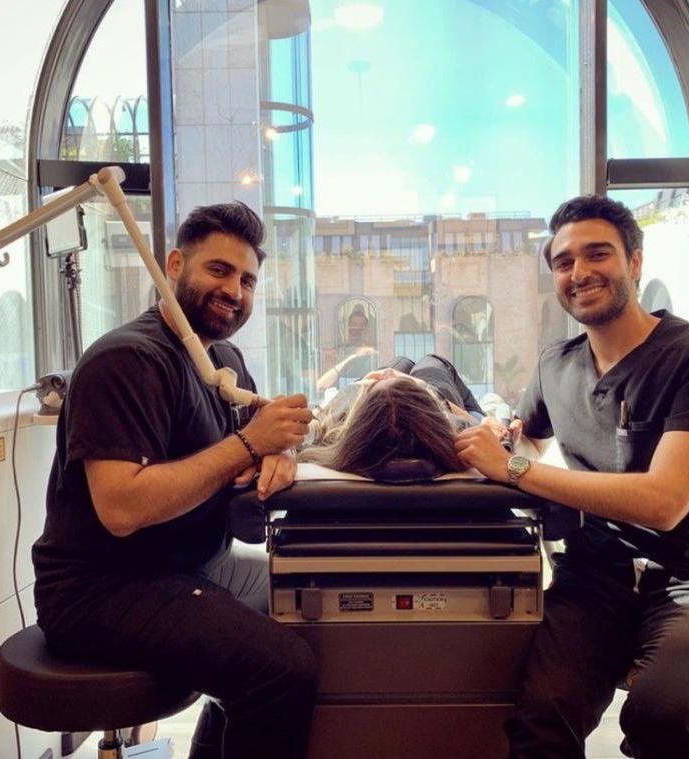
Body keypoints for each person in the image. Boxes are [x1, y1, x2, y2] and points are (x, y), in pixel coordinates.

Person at [455, 195, 689, 759]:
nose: (580, 272)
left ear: (635, 262)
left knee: (660, 714)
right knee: (541, 716)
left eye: (598, 254)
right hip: (598, 579)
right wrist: (498, 440)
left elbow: (663, 501)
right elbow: (528, 438)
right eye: (564, 262)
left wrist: (514, 469)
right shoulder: (555, 364)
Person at [32, 202, 317, 759]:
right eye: (219, 270)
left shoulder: (222, 360)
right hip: (102, 589)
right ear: (173, 265)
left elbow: (242, 452)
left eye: (248, 280)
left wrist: (277, 456)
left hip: (191, 566)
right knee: (282, 669)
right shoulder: (126, 361)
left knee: (317, 599)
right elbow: (122, 507)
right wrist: (251, 444)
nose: (235, 290)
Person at [301, 354, 490, 478]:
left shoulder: (333, 428)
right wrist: (416, 383)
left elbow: (313, 419)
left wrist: (369, 381)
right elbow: (473, 420)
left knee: (400, 362)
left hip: (365, 405)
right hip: (438, 398)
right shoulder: (455, 434)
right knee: (432, 362)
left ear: (364, 411)